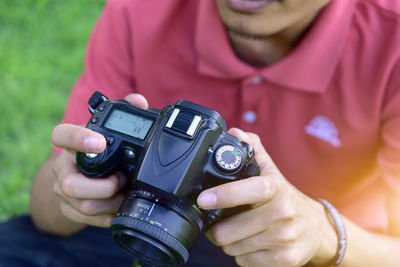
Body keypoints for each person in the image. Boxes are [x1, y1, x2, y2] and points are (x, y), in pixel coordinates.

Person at [1, 0, 400, 266]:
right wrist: (76, 187)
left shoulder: (391, 39)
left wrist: (323, 234)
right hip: (148, 218)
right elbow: (47, 213)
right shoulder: (141, 11)